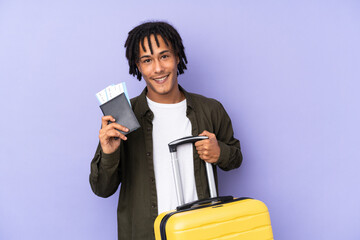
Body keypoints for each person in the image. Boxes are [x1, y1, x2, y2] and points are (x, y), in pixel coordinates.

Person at [89, 21, 242, 240]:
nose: (158, 68)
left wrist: (220, 153)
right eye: (147, 60)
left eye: (164, 56)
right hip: (147, 233)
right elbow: (102, 189)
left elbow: (236, 158)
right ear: (138, 66)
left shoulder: (210, 109)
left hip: (200, 232)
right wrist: (109, 153)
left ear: (177, 57)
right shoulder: (123, 116)